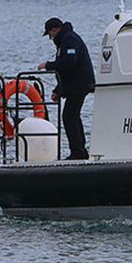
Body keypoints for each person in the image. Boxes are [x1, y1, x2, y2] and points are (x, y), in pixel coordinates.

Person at [37, 17, 95, 160]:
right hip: (76, 84)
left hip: (80, 85)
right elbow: (67, 72)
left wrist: (48, 65)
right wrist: (58, 90)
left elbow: (70, 62)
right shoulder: (65, 40)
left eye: (50, 34)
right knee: (72, 116)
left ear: (55, 29)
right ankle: (80, 151)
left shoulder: (69, 39)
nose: (51, 38)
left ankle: (78, 152)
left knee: (69, 116)